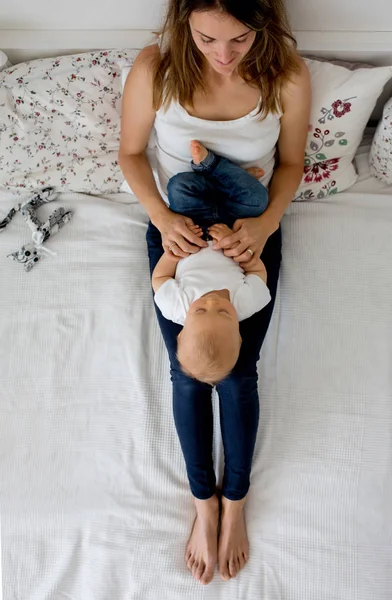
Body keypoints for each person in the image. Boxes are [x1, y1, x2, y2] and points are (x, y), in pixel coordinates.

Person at [119, 0, 310, 586]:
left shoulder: (288, 73)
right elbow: (130, 155)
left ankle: (236, 501)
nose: (224, 57)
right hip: (183, 222)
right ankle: (204, 504)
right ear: (183, 26)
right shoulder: (157, 67)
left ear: (264, 26)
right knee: (189, 373)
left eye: (240, 39)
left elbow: (291, 163)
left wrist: (265, 226)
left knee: (237, 371)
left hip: (251, 229)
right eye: (206, 40)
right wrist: (161, 218)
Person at [152, 140, 272, 384]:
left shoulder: (175, 308)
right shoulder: (247, 303)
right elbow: (257, 271)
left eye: (200, 310)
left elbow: (160, 279)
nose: (212, 302)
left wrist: (173, 254)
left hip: (192, 221)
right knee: (258, 199)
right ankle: (217, 170)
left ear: (183, 329)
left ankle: (225, 180)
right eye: (224, 312)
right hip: (235, 222)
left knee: (179, 186)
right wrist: (236, 247)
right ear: (238, 335)